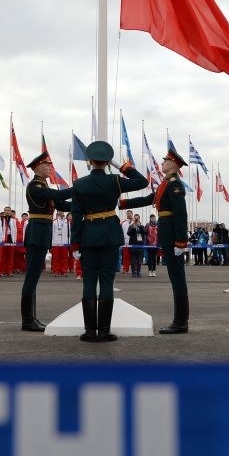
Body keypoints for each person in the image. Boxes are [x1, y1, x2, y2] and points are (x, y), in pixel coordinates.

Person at [70, 141, 148, 341]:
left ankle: (89, 331)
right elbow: (142, 181)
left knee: (89, 280)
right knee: (106, 280)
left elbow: (76, 216)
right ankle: (104, 331)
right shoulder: (115, 181)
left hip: (88, 235)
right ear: (106, 162)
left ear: (90, 161)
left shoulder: (79, 184)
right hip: (110, 235)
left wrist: (75, 243)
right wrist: (120, 166)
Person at [122, 148, 191, 334]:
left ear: (173, 165)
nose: (162, 163)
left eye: (166, 161)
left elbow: (180, 214)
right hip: (167, 232)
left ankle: (180, 322)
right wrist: (125, 204)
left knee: (177, 277)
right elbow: (149, 199)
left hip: (172, 235)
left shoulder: (175, 185)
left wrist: (181, 241)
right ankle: (180, 321)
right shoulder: (165, 184)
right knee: (175, 276)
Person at [20, 152, 72, 331]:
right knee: (31, 277)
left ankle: (31, 317)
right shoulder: (36, 186)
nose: (50, 167)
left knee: (34, 276)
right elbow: (58, 196)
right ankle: (27, 320)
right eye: (47, 165)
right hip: (37, 232)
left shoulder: (43, 186)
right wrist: (80, 188)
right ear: (38, 168)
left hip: (42, 232)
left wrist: (82, 203)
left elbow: (62, 205)